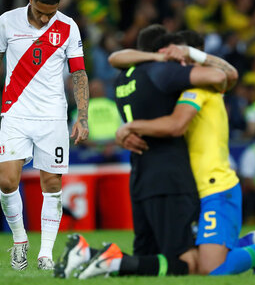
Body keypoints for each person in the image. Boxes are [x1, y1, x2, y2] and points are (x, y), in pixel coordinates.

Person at [58, 30, 255, 279]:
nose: (176, 59)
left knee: (210, 268)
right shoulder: (180, 87)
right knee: (185, 257)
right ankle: (247, 243)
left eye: (179, 54)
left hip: (216, 186)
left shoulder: (202, 88)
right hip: (192, 187)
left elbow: (177, 124)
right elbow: (118, 58)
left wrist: (130, 127)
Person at [54, 25, 234, 279]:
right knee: (188, 263)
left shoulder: (123, 79)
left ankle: (95, 257)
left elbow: (115, 58)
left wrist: (125, 131)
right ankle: (93, 255)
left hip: (140, 174)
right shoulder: (163, 72)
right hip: (170, 176)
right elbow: (219, 78)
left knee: (149, 259)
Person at [0, 0, 89, 271]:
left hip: (53, 116)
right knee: (7, 181)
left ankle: (45, 254)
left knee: (52, 185)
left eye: (50, 13)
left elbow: (78, 73)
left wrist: (82, 116)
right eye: (40, 11)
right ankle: (19, 241)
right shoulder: (7, 21)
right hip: (14, 113)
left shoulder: (68, 26)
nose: (44, 18)